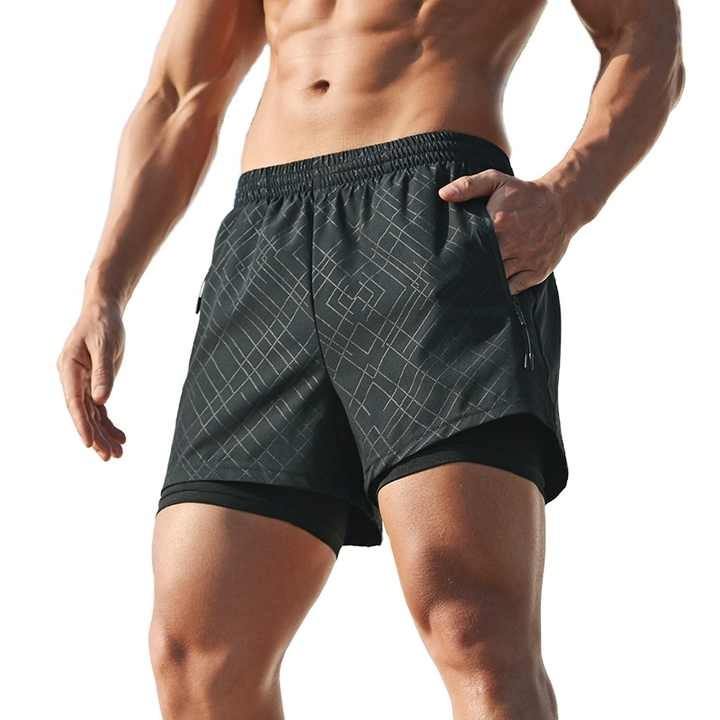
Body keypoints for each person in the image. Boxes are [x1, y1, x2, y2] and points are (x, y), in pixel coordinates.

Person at [57, 1, 684, 717]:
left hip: (430, 212)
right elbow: (178, 96)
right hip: (264, 244)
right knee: (197, 653)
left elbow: (645, 33)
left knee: (472, 619)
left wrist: (567, 199)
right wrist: (105, 288)